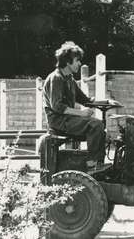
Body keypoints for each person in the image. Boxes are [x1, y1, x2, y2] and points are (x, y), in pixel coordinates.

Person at [43, 41, 106, 171]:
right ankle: (91, 163)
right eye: (77, 60)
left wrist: (104, 103)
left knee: (101, 129)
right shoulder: (56, 78)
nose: (79, 63)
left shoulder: (69, 79)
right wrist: (82, 113)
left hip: (67, 120)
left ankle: (99, 163)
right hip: (58, 121)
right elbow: (57, 106)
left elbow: (84, 99)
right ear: (67, 62)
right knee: (95, 125)